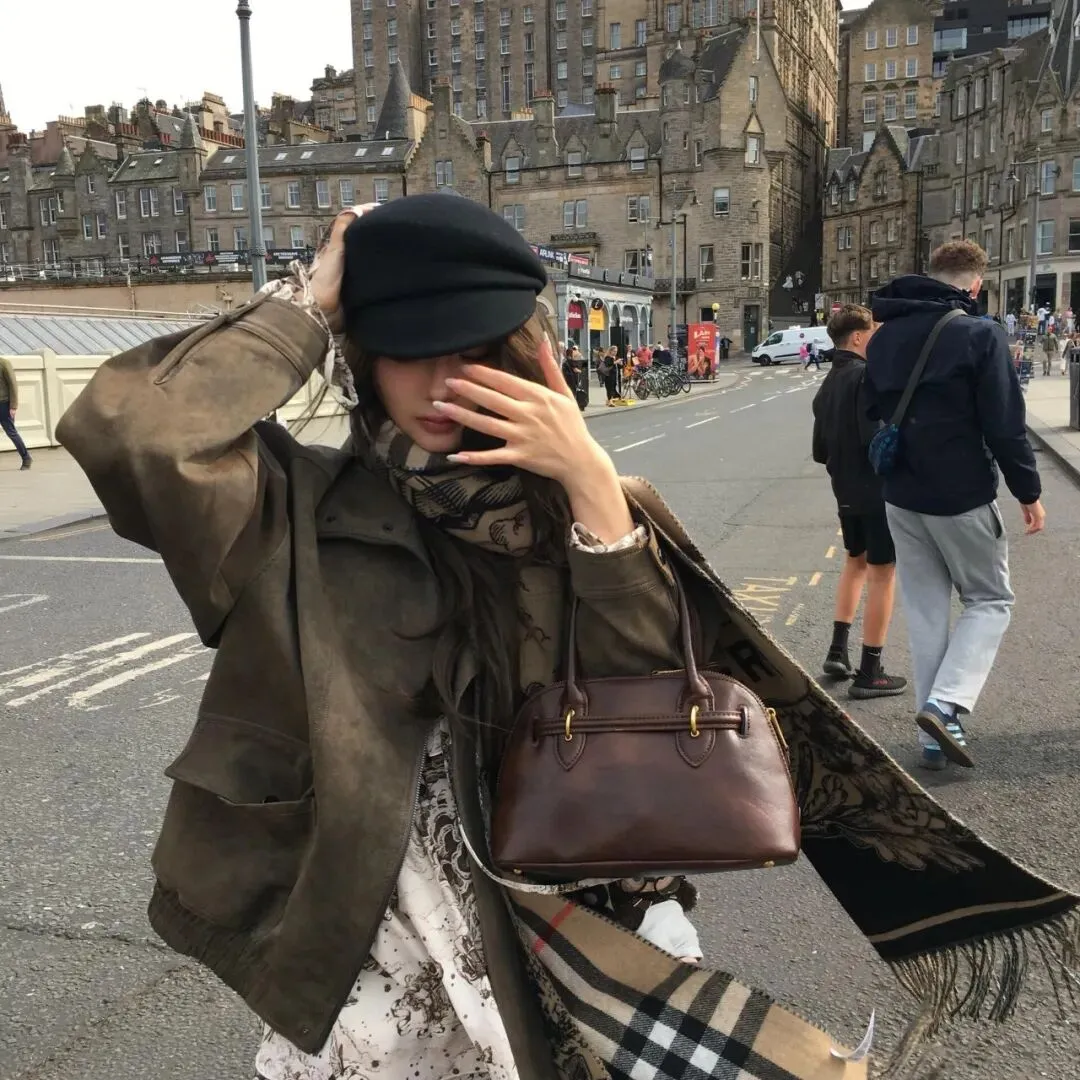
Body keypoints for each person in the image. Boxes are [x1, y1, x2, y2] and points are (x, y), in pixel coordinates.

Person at [56, 199, 1080, 1078]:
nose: (445, 379)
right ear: (360, 354)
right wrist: (306, 305)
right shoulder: (290, 509)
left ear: (521, 349)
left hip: (570, 908)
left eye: (473, 346)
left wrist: (593, 488)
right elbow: (130, 432)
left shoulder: (578, 508)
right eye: (409, 347)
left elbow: (653, 699)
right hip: (368, 929)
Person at [866, 239, 1046, 772]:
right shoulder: (979, 334)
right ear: (975, 284)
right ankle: (945, 707)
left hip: (901, 494)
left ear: (932, 274)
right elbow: (1005, 424)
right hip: (960, 493)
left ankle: (933, 736)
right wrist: (1028, 492)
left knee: (926, 614)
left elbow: (873, 407)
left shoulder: (884, 335)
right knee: (990, 600)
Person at [812, 305, 906, 700]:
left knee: (856, 562)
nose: (876, 338)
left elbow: (819, 450)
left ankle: (838, 651)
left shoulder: (827, 384)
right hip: (876, 492)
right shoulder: (866, 377)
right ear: (856, 337)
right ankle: (870, 670)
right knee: (883, 574)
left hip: (845, 492)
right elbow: (877, 440)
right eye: (872, 332)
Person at [0, 356, 31, 470]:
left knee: (11, 432)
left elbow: (13, 385)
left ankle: (26, 458)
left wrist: (13, 406)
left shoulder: (4, 363)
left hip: (4, 404)